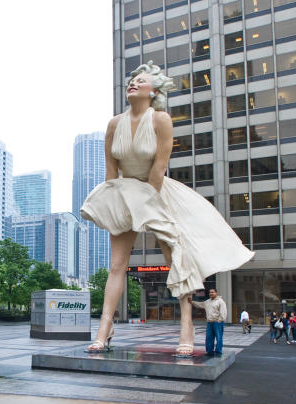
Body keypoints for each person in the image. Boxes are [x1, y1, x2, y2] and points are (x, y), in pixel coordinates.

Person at [80, 61, 253, 356]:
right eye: (132, 80)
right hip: (124, 193)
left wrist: (149, 209)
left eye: (141, 80)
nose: (133, 83)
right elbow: (111, 173)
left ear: (154, 91)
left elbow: (158, 170)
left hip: (157, 193)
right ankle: (104, 327)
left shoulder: (161, 120)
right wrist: (112, 206)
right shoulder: (114, 124)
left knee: (178, 262)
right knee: (116, 265)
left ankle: (186, 324)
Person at [192, 289, 227, 355]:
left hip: (217, 322)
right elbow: (200, 304)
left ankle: (218, 352)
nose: (211, 293)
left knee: (219, 337)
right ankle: (209, 351)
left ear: (216, 293)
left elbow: (223, 312)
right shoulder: (208, 302)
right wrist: (192, 302)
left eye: (212, 292)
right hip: (209, 322)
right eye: (210, 292)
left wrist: (220, 320)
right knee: (209, 337)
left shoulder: (220, 301)